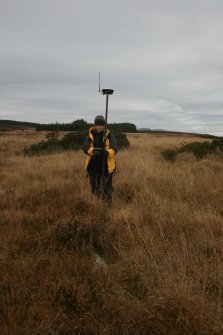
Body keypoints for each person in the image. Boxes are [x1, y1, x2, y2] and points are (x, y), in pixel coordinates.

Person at [83, 115, 118, 202]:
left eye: (100, 125)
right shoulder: (90, 134)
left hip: (106, 166)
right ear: (94, 125)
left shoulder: (109, 135)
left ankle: (108, 206)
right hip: (93, 166)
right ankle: (96, 204)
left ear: (104, 126)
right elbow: (85, 148)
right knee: (94, 188)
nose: (98, 127)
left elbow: (115, 148)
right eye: (97, 125)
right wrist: (93, 151)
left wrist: (107, 153)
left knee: (106, 188)